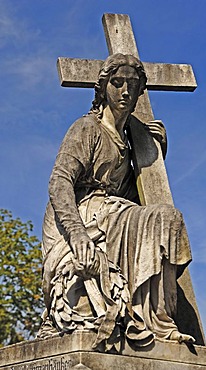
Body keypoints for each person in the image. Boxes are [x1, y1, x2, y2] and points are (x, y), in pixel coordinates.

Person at [38, 53, 194, 350]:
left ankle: (157, 319)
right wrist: (78, 233)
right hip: (83, 215)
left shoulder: (131, 140)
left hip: (114, 213)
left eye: (132, 85)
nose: (124, 91)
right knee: (155, 217)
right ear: (103, 88)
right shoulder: (87, 129)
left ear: (138, 93)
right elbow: (59, 182)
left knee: (168, 218)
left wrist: (156, 152)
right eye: (117, 83)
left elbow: (134, 200)